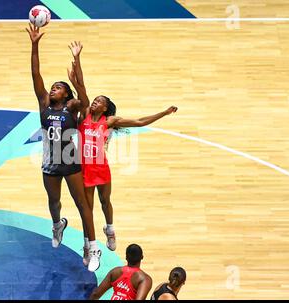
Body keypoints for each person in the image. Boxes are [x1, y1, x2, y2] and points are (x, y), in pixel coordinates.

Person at [66, 41, 178, 265]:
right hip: (84, 168)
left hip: (101, 167)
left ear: (105, 108)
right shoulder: (84, 116)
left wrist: (163, 113)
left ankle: (109, 229)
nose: (95, 101)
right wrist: (77, 59)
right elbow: (82, 88)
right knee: (87, 208)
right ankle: (89, 245)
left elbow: (138, 121)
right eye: (95, 100)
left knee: (105, 202)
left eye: (100, 101)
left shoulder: (110, 121)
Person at [26, 24, 101, 272]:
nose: (52, 88)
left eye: (58, 87)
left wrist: (77, 66)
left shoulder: (72, 108)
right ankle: (58, 224)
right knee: (54, 202)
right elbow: (36, 75)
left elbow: (86, 99)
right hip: (50, 162)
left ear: (67, 94)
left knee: (83, 206)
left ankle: (92, 248)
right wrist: (34, 44)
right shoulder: (44, 105)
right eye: (53, 87)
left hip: (70, 162)